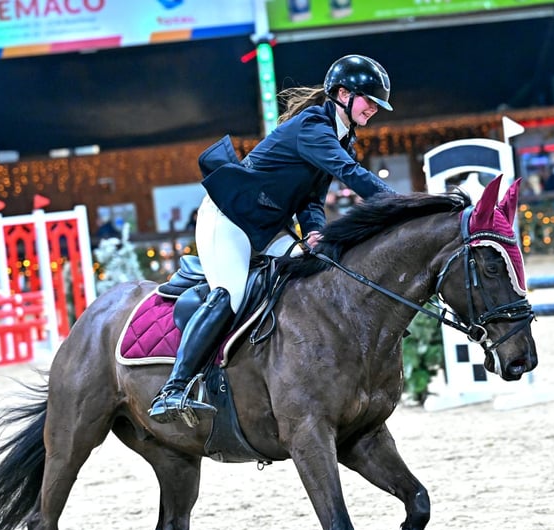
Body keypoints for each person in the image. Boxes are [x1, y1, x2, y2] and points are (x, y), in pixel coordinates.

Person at [148, 54, 397, 425]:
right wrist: (402, 203)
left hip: (267, 225)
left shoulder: (343, 139)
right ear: (343, 94)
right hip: (229, 216)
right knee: (231, 294)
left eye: (378, 104)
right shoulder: (314, 125)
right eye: (369, 100)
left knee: (312, 273)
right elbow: (350, 174)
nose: (374, 109)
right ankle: (174, 388)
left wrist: (313, 229)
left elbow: (312, 198)